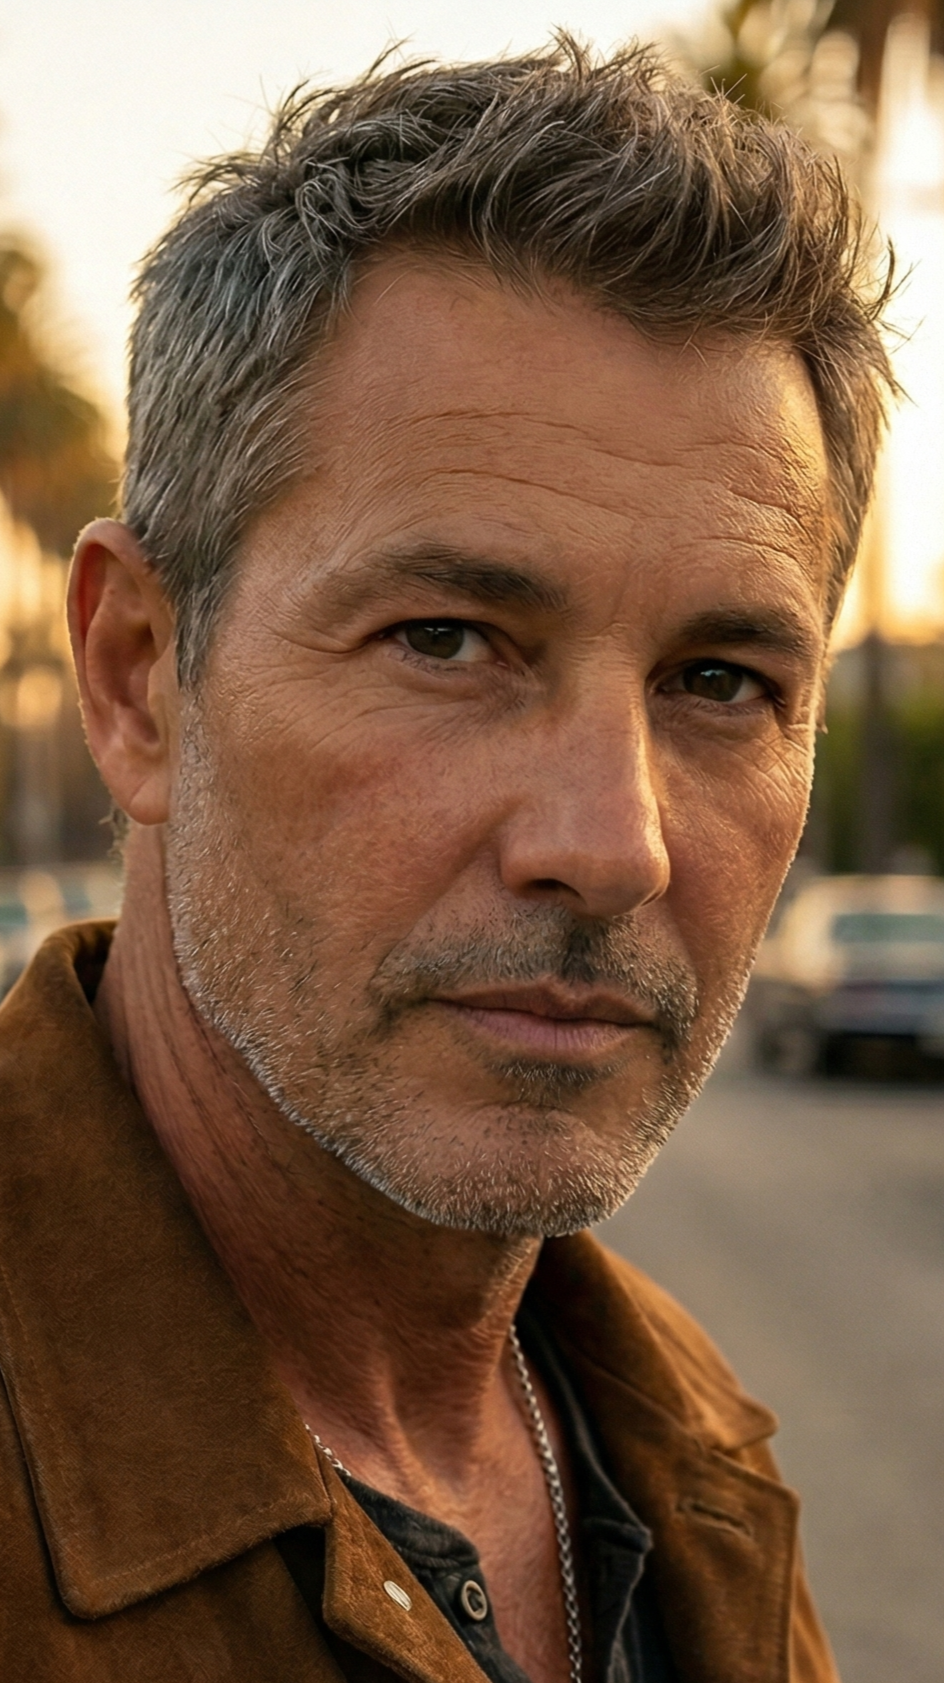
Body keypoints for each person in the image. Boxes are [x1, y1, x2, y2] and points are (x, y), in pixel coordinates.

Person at [0, 39, 893, 1683]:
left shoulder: (676, 1444)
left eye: (719, 683)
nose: (608, 844)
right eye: (447, 640)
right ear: (137, 674)